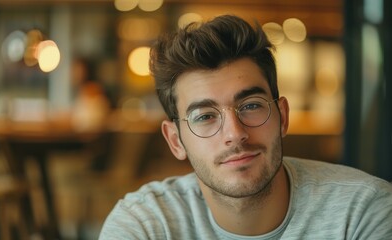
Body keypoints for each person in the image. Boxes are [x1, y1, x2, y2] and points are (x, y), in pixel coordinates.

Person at [99, 15, 392, 239]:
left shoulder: (362, 213)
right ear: (175, 141)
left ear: (282, 117)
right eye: (205, 116)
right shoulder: (146, 224)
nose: (235, 134)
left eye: (251, 106)